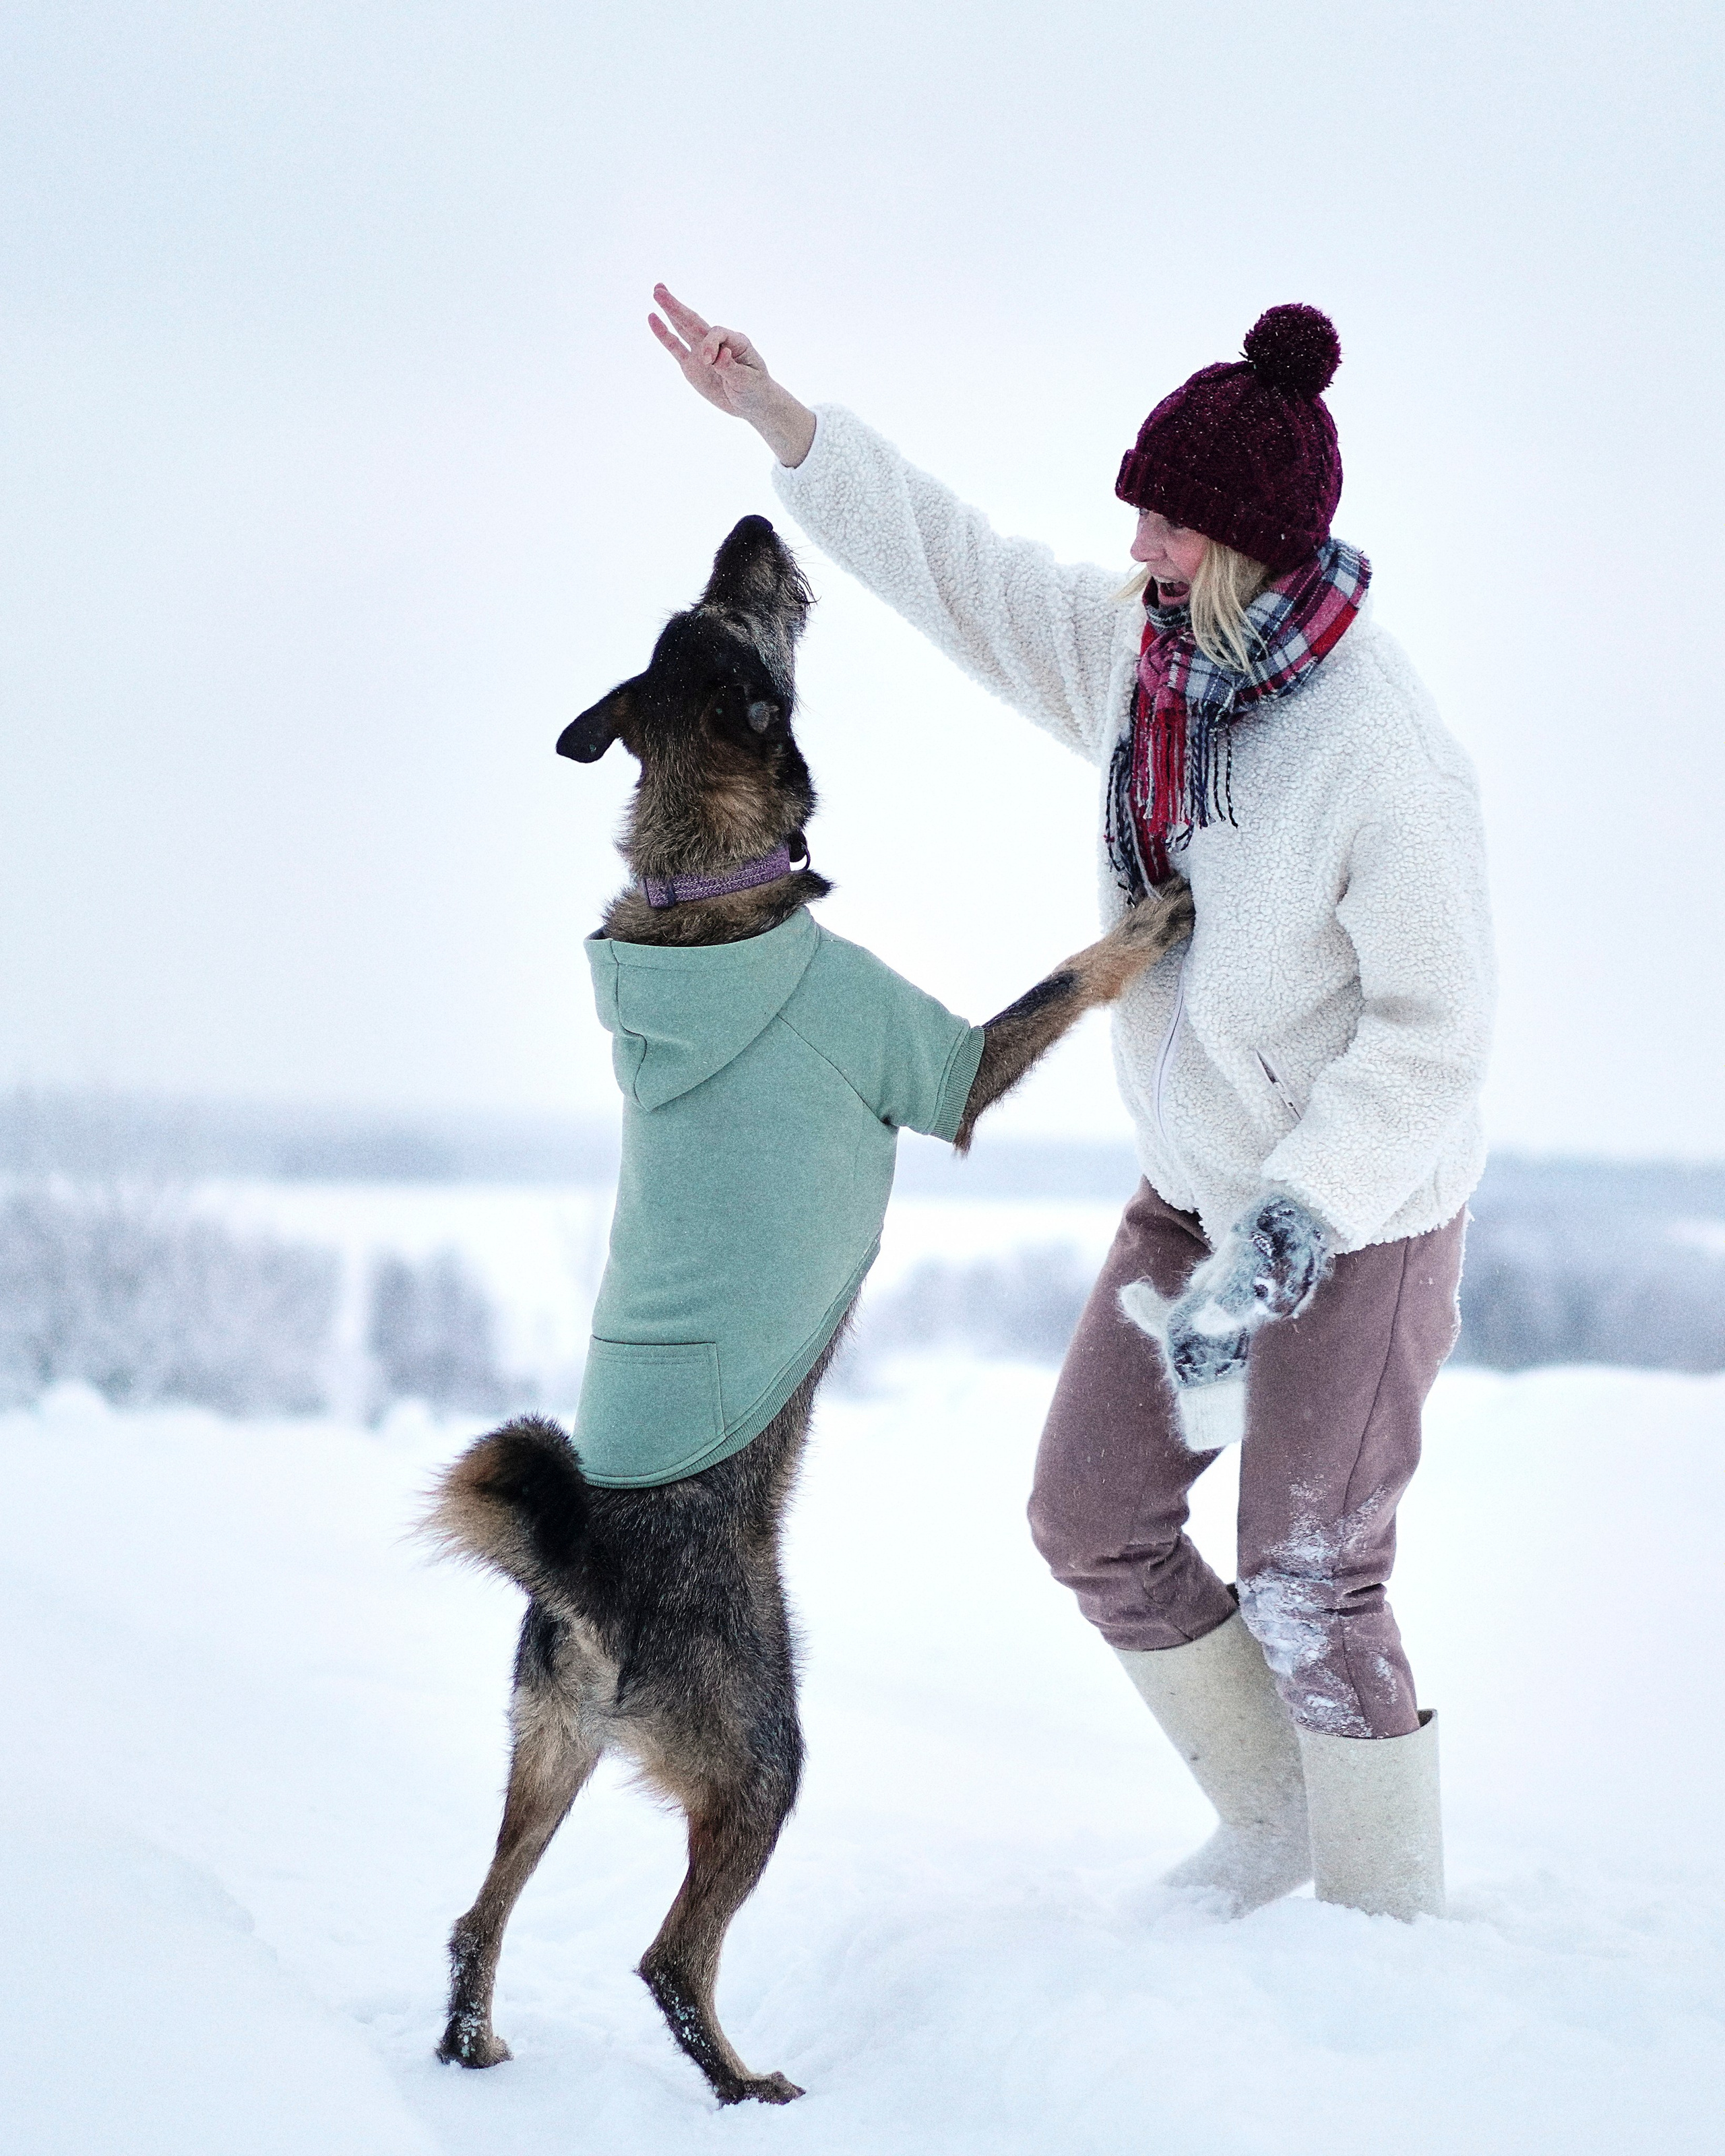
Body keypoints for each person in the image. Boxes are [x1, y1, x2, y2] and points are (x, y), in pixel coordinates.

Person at [648, 284, 1494, 1922]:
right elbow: (959, 571)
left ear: (1250, 544)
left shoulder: (1381, 757)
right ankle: (1278, 1833)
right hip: (1191, 1184)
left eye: (1170, 525)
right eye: (1140, 511)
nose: (1139, 544)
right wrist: (781, 423)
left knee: (1311, 1581)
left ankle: (1386, 1935)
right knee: (1089, 1512)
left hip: (1353, 1216)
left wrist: (1293, 1227)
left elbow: (1431, 1035)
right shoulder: (1143, 662)